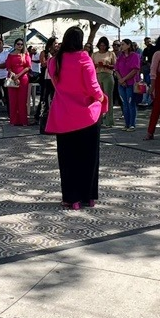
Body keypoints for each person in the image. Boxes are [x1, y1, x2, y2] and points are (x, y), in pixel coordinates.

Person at [46, 26, 107, 210]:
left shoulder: (54, 61)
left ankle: (70, 198)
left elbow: (57, 84)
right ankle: (88, 196)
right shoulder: (83, 58)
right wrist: (102, 98)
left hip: (64, 115)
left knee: (67, 159)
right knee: (89, 157)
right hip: (87, 115)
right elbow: (92, 87)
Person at [113, 39, 141, 131]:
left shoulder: (135, 56)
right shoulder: (120, 57)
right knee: (124, 103)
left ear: (129, 45)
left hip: (131, 83)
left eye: (123, 44)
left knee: (130, 103)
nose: (121, 46)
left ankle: (132, 124)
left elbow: (135, 70)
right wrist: (120, 79)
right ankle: (126, 124)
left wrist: (124, 79)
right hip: (121, 83)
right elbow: (116, 69)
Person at [5, 38, 31, 126]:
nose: (20, 46)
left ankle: (23, 120)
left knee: (22, 100)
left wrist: (18, 75)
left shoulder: (25, 54)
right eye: (18, 44)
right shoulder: (10, 55)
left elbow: (28, 67)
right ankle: (13, 120)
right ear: (15, 45)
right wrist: (13, 75)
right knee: (13, 100)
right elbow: (8, 67)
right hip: (12, 78)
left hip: (23, 78)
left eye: (21, 44)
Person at [92, 37, 117, 128]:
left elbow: (115, 66)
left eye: (104, 45)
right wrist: (97, 65)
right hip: (98, 75)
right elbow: (91, 66)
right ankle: (99, 119)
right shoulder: (94, 54)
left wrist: (107, 65)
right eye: (101, 45)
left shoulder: (111, 54)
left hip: (108, 75)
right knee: (99, 98)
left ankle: (109, 120)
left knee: (108, 97)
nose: (102, 47)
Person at [139, 37, 155, 106]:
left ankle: (150, 100)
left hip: (153, 68)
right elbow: (143, 58)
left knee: (151, 84)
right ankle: (145, 100)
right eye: (147, 42)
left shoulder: (154, 49)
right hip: (146, 69)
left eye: (149, 41)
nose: (148, 43)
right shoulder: (145, 50)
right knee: (146, 84)